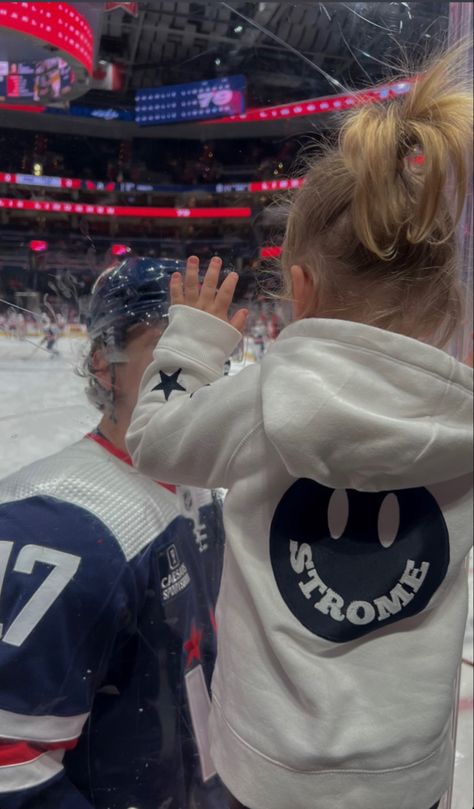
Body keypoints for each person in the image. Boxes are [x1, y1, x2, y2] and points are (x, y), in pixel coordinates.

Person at [126, 48, 473, 809]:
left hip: (267, 773)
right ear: (448, 294)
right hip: (411, 777)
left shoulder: (258, 402)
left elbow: (152, 438)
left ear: (303, 288)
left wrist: (193, 337)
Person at [0, 257, 228, 809]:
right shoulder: (60, 524)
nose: (199, 377)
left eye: (211, 355)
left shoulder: (200, 486)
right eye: (171, 355)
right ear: (105, 366)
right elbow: (13, 770)